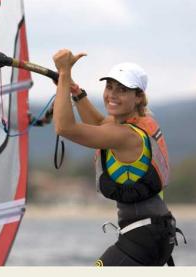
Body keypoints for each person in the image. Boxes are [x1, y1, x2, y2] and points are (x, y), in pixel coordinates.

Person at [52, 49, 183, 266]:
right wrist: (75, 92)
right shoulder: (141, 122)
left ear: (138, 96)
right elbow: (100, 125)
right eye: (109, 87)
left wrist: (64, 74)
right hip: (156, 233)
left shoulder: (127, 135)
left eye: (122, 90)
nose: (112, 94)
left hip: (143, 238)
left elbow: (64, 127)